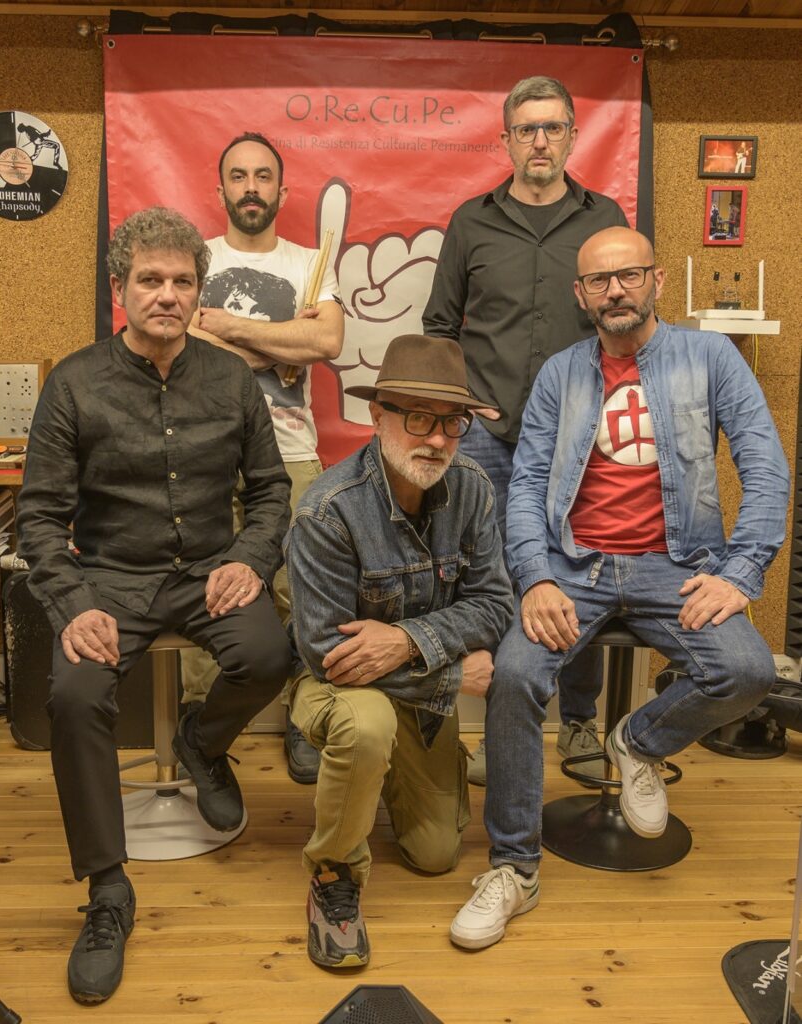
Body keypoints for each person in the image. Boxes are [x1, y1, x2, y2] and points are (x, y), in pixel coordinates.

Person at [450, 226, 789, 951]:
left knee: (748, 670)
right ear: (581, 295)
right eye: (599, 281)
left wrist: (739, 572)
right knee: (513, 676)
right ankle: (513, 868)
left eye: (628, 275)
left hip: (676, 561)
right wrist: (535, 576)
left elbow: (765, 466)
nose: (615, 291)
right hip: (575, 564)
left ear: (655, 280)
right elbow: (526, 485)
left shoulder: (710, 359)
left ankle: (637, 741)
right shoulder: (560, 373)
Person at [16, 207, 293, 1004]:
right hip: (109, 578)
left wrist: (248, 558)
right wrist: (73, 604)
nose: (167, 295)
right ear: (121, 290)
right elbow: (39, 516)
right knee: (75, 695)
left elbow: (270, 491)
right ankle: (108, 890)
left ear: (199, 292)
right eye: (150, 280)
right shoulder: (74, 383)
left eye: (181, 281)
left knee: (269, 655)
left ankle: (202, 742)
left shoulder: (231, 379)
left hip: (210, 570)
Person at [423, 76, 629, 785]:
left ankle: (579, 721)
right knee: (492, 579)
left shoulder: (603, 218)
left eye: (552, 128)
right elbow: (439, 325)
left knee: (581, 571)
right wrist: (462, 403)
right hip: (488, 437)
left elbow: (623, 317)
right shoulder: (471, 222)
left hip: (582, 437)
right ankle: (498, 729)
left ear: (571, 135)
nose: (539, 141)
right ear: (506, 139)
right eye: (526, 129)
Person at [284, 334, 513, 968]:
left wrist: (406, 640)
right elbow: (327, 653)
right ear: (377, 415)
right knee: (366, 726)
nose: (436, 438)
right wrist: (449, 674)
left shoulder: (473, 489)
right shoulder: (327, 509)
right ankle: (332, 875)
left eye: (451, 422)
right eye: (417, 418)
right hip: (334, 686)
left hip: (414, 690)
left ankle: (385, 774)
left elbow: (495, 605)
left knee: (437, 855)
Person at [182, 131, 344, 785]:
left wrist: (226, 326)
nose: (251, 187)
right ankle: (202, 727)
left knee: (303, 593)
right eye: (238, 175)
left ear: (282, 189)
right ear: (219, 187)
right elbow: (180, 345)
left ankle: (305, 721)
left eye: (263, 176)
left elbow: (327, 341)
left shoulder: (311, 262)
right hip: (203, 455)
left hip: (292, 453)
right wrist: (281, 345)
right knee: (207, 591)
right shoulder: (194, 259)